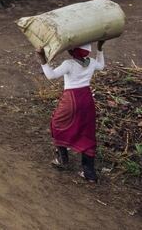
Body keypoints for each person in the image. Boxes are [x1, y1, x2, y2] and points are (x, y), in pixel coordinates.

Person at [36, 41, 106, 183]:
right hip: (87, 99)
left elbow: (51, 76)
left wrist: (42, 58)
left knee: (57, 124)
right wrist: (100, 48)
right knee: (87, 131)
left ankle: (62, 159)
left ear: (72, 51)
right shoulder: (91, 62)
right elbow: (102, 66)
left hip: (71, 99)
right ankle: (89, 173)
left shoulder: (69, 64)